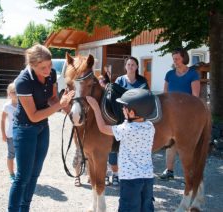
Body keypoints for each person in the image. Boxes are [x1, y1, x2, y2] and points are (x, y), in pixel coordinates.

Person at [8, 44, 75, 211]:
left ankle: (25, 209)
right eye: (43, 67)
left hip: (42, 128)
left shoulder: (51, 74)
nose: (48, 70)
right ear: (32, 65)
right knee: (22, 177)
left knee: (34, 175)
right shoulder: (23, 81)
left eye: (50, 65)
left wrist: (66, 107)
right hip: (25, 128)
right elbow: (34, 115)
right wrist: (60, 105)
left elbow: (52, 99)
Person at [86, 88, 155, 212]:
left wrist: (96, 108)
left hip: (130, 179)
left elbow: (102, 128)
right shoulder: (150, 126)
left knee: (128, 208)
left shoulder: (126, 129)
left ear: (132, 113)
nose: (122, 109)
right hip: (148, 177)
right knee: (146, 208)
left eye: (124, 107)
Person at [107, 56, 150, 186]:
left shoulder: (142, 80)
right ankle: (115, 173)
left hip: (138, 118)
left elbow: (146, 96)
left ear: (137, 67)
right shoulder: (120, 80)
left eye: (133, 65)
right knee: (114, 143)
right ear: (125, 66)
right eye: (129, 64)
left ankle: (133, 172)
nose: (131, 67)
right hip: (121, 116)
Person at [160, 48, 200, 180]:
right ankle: (169, 170)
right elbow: (165, 94)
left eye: (177, 58)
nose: (175, 61)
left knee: (187, 145)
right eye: (173, 59)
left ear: (184, 58)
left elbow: (195, 97)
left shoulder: (193, 74)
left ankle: (190, 174)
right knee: (170, 142)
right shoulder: (169, 74)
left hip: (186, 115)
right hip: (170, 116)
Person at [1, 82, 18, 183]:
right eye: (13, 92)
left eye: (18, 92)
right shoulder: (7, 106)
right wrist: (3, 134)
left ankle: (21, 173)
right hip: (11, 135)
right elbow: (2, 120)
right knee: (11, 155)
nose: (16, 94)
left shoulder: (23, 104)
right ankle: (11, 174)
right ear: (9, 93)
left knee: (22, 155)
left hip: (21, 135)